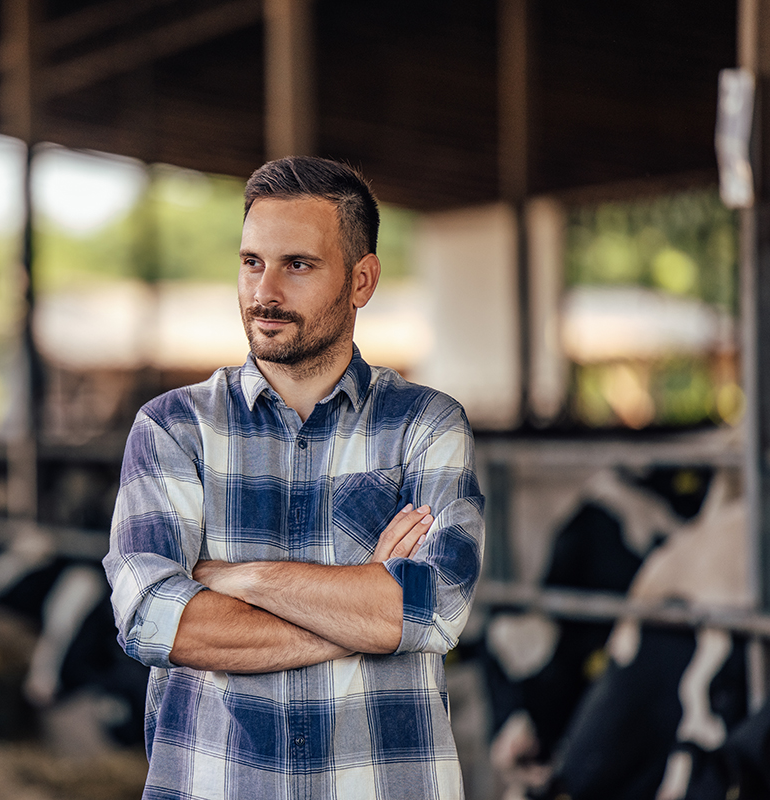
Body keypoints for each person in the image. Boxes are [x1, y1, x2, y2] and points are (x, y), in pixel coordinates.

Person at [103, 156, 484, 798]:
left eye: (297, 265)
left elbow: (432, 609)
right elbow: (151, 618)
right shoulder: (173, 428)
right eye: (252, 262)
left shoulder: (428, 425)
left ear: (362, 280)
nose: (264, 292)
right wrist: (361, 615)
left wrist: (236, 578)